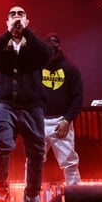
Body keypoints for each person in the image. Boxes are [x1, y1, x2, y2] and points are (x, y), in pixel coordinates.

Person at [0, 5, 53, 202]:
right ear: (7, 21)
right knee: (1, 145)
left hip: (32, 106)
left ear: (27, 22)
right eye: (13, 15)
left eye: (21, 15)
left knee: (36, 151)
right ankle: (0, 199)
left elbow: (48, 55)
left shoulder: (34, 49)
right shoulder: (2, 48)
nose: (17, 18)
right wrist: (7, 34)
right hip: (6, 105)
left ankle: (31, 198)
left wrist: (26, 33)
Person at [41, 32, 83, 188]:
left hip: (61, 121)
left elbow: (78, 98)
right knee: (33, 162)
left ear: (59, 45)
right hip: (40, 121)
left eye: (55, 44)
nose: (52, 47)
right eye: (49, 45)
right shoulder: (37, 67)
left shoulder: (70, 68)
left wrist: (67, 120)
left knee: (70, 164)